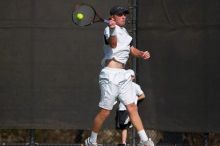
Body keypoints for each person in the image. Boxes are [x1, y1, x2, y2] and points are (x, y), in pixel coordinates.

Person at [84, 6, 154, 146]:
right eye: (120, 14)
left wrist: (141, 54)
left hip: (123, 75)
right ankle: (92, 141)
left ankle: (145, 141)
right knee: (105, 112)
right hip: (110, 76)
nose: (124, 17)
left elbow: (130, 49)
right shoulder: (108, 29)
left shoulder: (125, 32)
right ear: (113, 17)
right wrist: (111, 29)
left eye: (125, 14)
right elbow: (113, 45)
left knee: (132, 107)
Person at [115, 69, 146, 145]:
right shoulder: (121, 86)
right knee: (124, 127)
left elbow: (143, 95)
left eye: (132, 76)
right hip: (122, 108)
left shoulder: (135, 86)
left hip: (130, 109)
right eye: (129, 75)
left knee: (133, 124)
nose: (130, 77)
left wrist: (135, 99)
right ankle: (124, 143)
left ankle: (143, 140)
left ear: (134, 77)